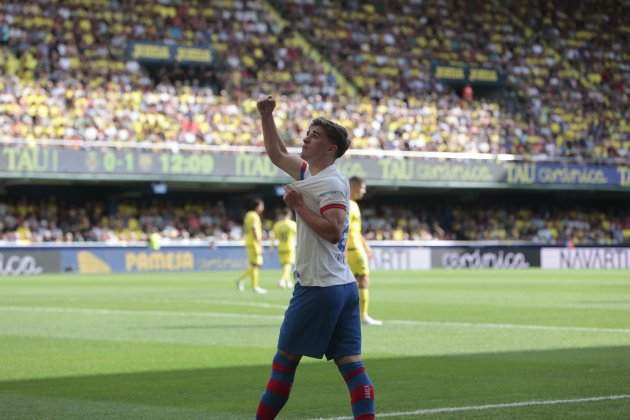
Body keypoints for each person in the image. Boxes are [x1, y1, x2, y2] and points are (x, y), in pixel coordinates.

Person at [255, 95, 375, 420]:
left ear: (331, 149)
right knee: (352, 367)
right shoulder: (310, 173)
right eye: (308, 132)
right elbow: (277, 154)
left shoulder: (333, 185)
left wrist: (299, 208)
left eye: (315, 135)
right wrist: (266, 115)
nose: (307, 137)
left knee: (284, 365)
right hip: (342, 287)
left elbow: (334, 230)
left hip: (318, 287)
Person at [348, 176, 382, 326]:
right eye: (362, 187)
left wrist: (366, 245)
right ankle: (363, 316)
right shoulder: (349, 205)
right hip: (353, 249)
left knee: (350, 283)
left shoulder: (351, 204)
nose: (364, 191)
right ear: (354, 187)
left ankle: (354, 315)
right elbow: (344, 230)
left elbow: (355, 230)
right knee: (363, 280)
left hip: (354, 247)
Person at [235, 197, 267, 294]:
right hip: (254, 243)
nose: (263, 207)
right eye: (262, 205)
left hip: (250, 242)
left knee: (255, 265)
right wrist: (260, 244)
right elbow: (254, 230)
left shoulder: (248, 215)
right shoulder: (254, 216)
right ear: (257, 206)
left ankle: (242, 281)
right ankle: (254, 286)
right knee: (256, 265)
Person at [272, 208, 297, 289]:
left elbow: (273, 237)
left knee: (284, 265)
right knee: (288, 265)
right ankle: (282, 280)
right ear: (289, 215)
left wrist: (271, 248)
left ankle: (288, 281)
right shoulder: (292, 224)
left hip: (281, 247)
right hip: (289, 246)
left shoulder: (277, 225)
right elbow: (298, 235)